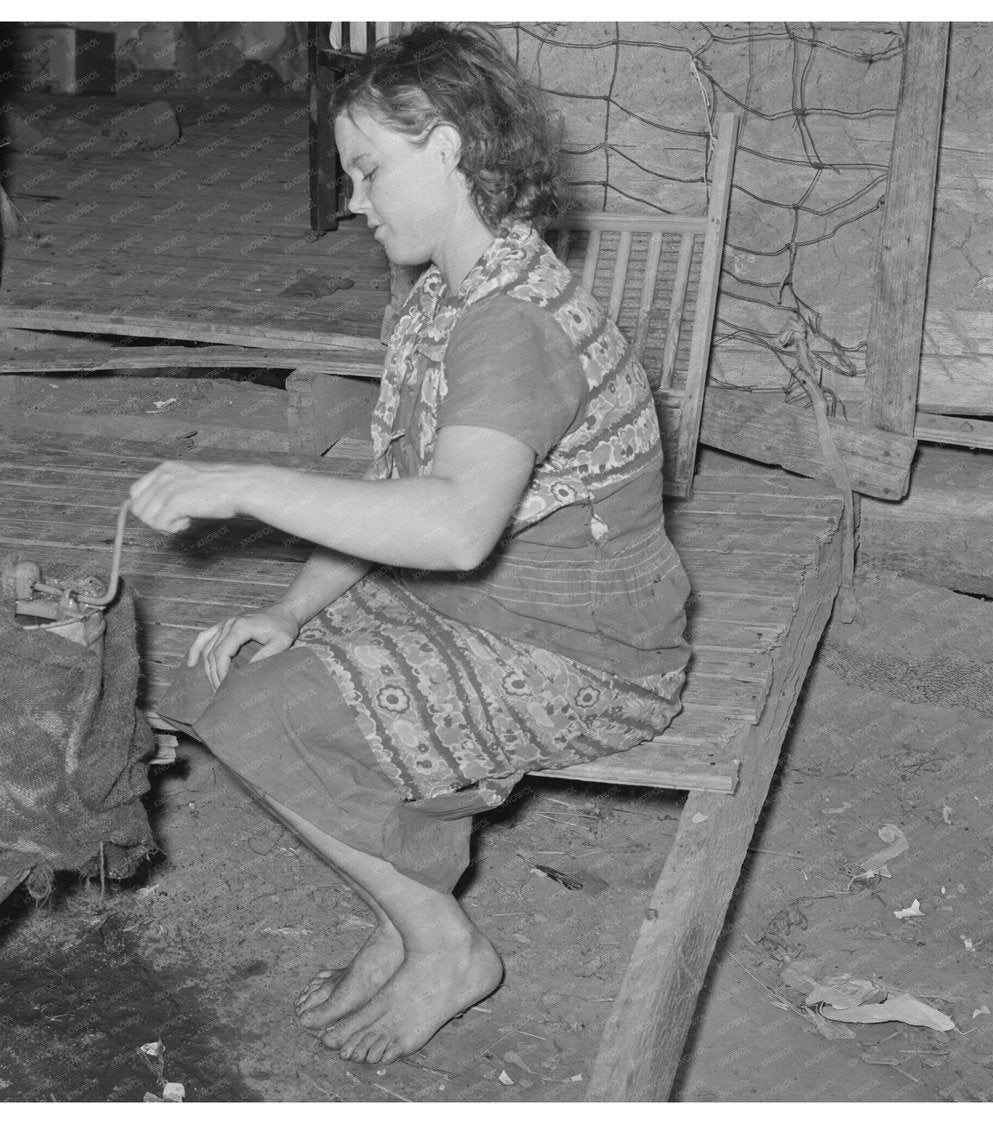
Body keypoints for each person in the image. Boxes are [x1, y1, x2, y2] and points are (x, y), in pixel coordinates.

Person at [129, 23, 690, 1067]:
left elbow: (452, 524)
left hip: (580, 648)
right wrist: (291, 608)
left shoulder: (510, 323)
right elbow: (398, 489)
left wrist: (246, 481)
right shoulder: (445, 297)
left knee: (267, 707)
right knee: (229, 668)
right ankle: (402, 910)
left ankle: (444, 941)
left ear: (447, 147)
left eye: (368, 169)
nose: (353, 200)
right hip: (485, 605)